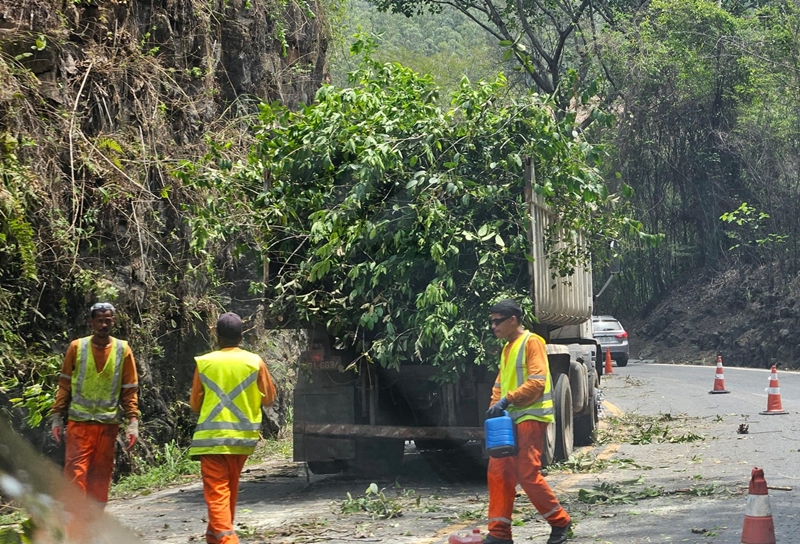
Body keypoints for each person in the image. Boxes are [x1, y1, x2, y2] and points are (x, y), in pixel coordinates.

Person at [484, 299, 571, 544]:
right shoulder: (507, 348)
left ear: (513, 320)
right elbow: (500, 383)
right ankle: (499, 534)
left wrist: (506, 401)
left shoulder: (532, 342)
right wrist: (495, 405)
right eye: (491, 321)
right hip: (508, 420)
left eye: (497, 321)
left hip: (530, 416)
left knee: (527, 473)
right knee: (499, 472)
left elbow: (537, 382)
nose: (493, 326)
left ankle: (560, 521)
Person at [189, 312, 277, 544]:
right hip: (242, 441)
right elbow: (268, 398)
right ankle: (215, 538)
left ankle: (228, 541)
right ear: (241, 336)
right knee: (228, 493)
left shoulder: (206, 362)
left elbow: (195, 404)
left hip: (212, 440)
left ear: (217, 336)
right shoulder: (254, 361)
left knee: (218, 493)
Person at [50, 302, 140, 508]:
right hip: (79, 425)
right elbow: (64, 385)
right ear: (91, 322)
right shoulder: (77, 347)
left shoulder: (122, 350)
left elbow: (129, 389)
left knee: (101, 477)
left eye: (107, 320)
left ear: (113, 321)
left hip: (107, 427)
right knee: (75, 474)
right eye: (99, 320)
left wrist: (132, 421)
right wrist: (57, 416)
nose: (103, 325)